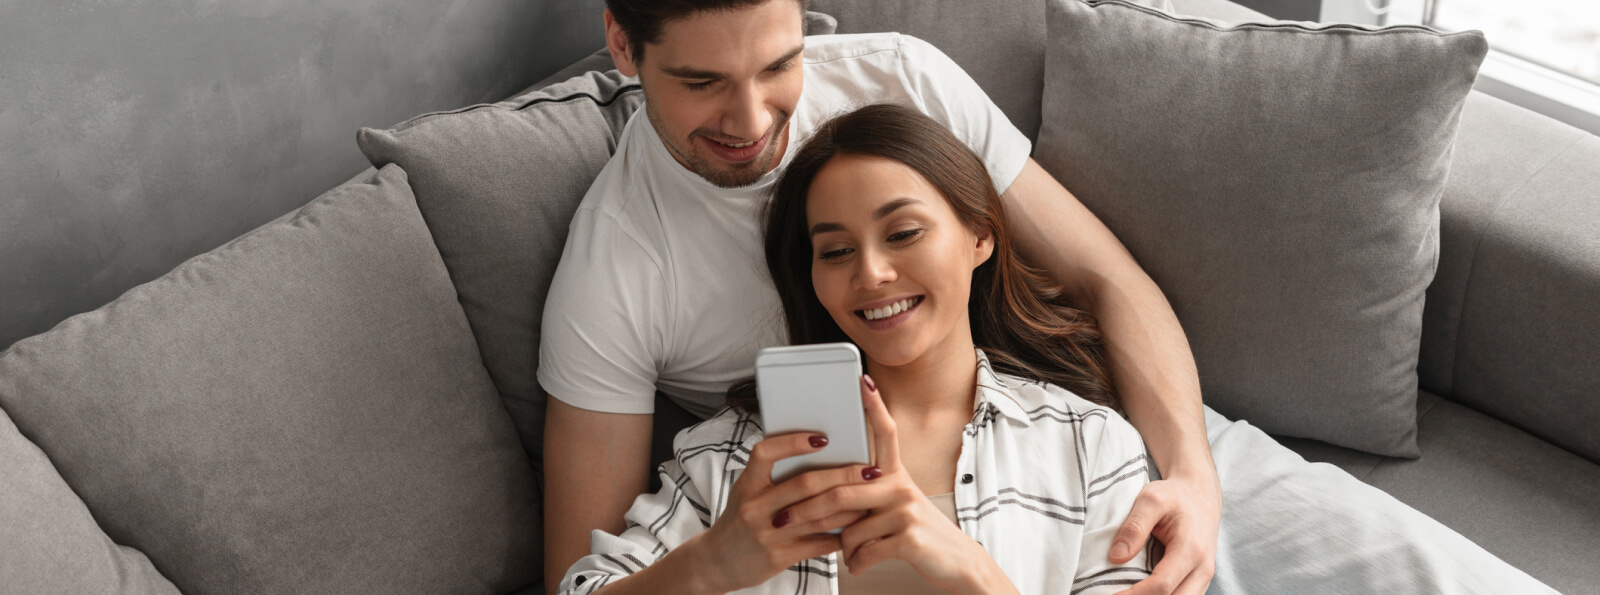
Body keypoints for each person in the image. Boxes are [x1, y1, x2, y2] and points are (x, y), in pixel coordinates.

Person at [538, 2, 1220, 593]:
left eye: (779, 65)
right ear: (622, 45)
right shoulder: (715, 449)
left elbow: (1110, 279)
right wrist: (714, 563)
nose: (749, 120)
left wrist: (1193, 476)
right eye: (703, 80)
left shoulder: (1085, 445)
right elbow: (580, 575)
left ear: (981, 234)